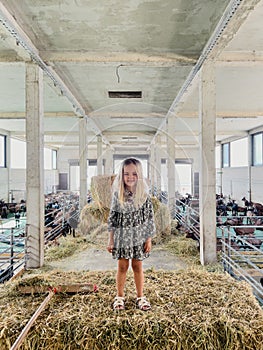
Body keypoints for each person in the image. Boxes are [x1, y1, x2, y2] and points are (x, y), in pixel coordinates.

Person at [107, 158, 156, 311]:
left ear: (140, 175)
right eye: (126, 173)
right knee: (122, 266)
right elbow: (112, 219)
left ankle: (140, 297)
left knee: (137, 266)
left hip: (139, 237)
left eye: (134, 173)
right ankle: (119, 296)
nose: (130, 177)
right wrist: (111, 240)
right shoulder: (118, 196)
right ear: (121, 175)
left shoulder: (144, 197)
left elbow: (149, 219)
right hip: (122, 238)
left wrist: (148, 239)